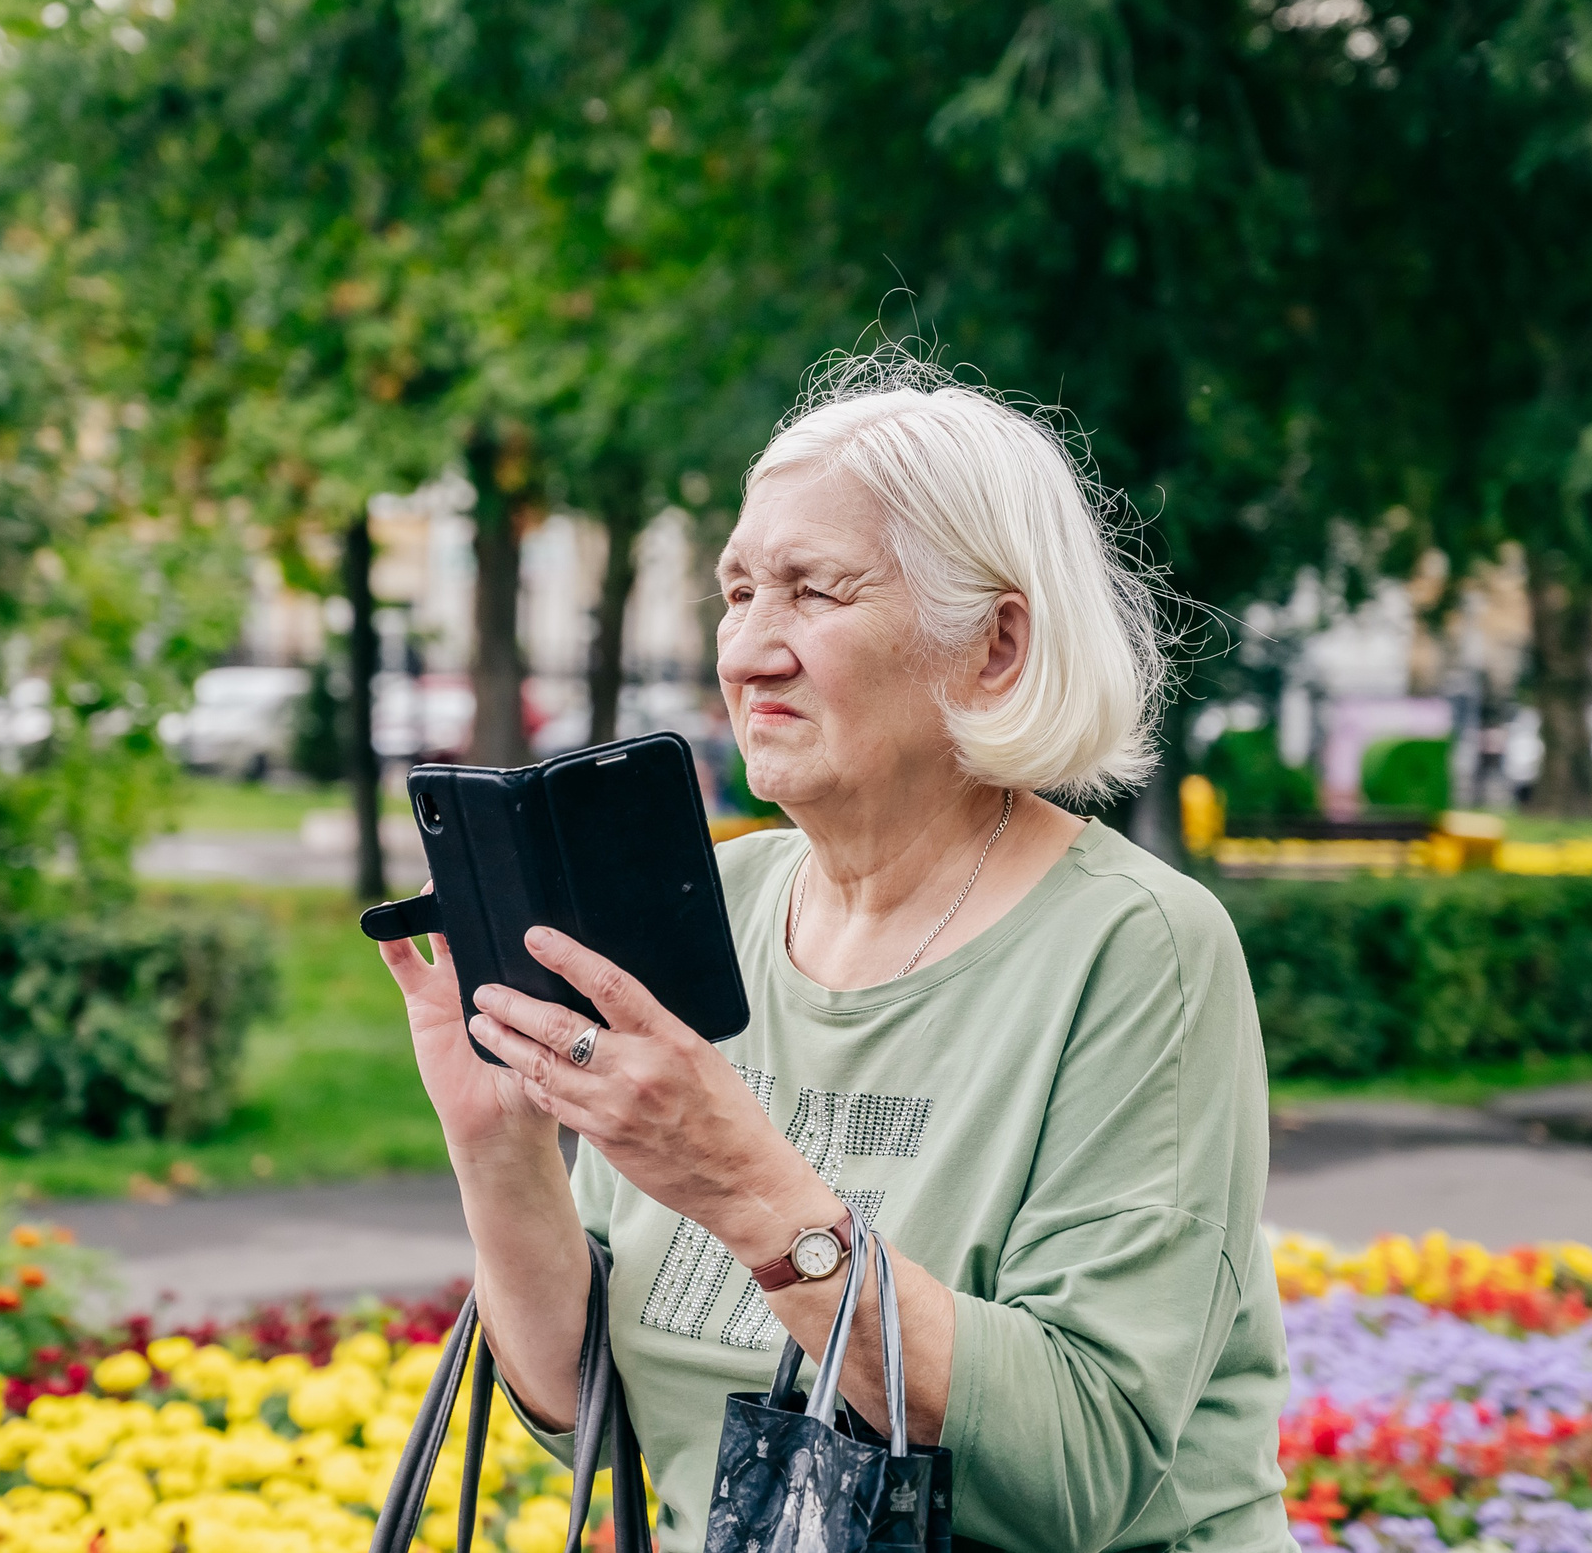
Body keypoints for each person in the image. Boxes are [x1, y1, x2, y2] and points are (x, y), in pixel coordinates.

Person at [376, 351, 1290, 1552]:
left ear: (995, 645)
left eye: (813, 591)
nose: (748, 650)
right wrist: (500, 1150)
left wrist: (747, 1189)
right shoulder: (722, 904)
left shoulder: (1134, 947)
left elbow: (1081, 1468)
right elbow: (582, 1409)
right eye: (737, 591)